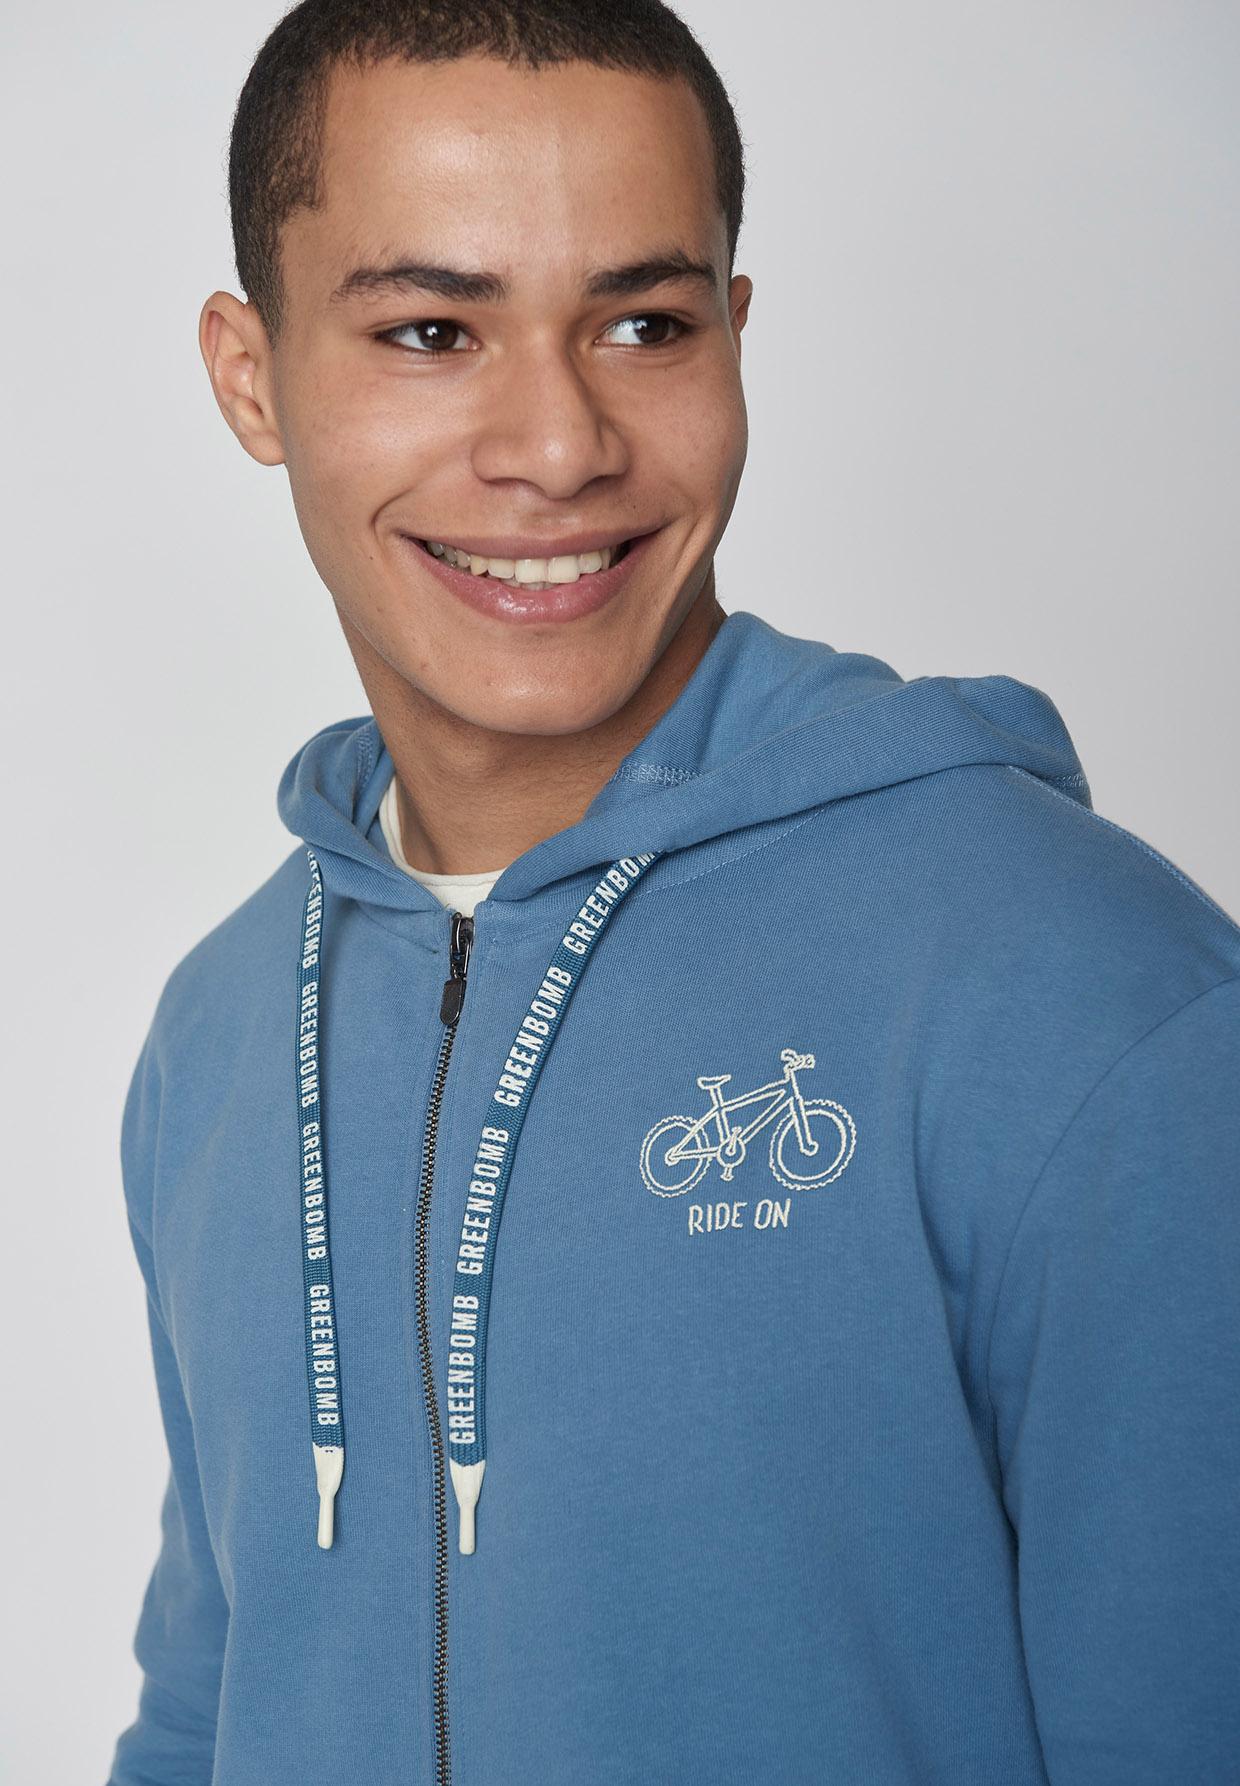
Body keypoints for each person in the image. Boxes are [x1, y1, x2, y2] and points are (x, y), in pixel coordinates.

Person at [108, 2, 1240, 1782]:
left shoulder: (1083, 992)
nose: (560, 445)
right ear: (251, 378)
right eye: (431, 331)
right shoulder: (225, 1032)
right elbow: (207, 1708)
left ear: (735, 330)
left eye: (644, 323)